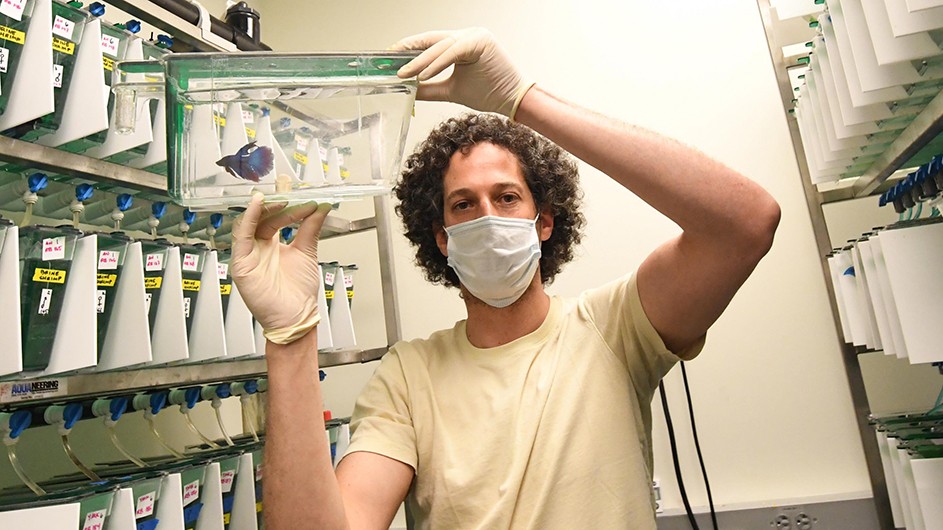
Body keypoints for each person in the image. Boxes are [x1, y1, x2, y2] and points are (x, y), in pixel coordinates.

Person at [230, 28, 780, 530]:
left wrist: (520, 99)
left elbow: (744, 224)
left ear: (544, 222)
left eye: (507, 197)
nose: (487, 216)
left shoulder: (614, 329)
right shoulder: (410, 375)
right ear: (442, 239)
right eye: (463, 204)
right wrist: (290, 336)